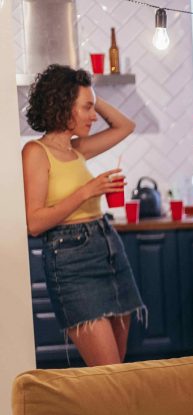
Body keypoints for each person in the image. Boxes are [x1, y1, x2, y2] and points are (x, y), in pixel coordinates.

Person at [21, 64, 142, 366]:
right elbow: (34, 222)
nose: (94, 116)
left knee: (117, 371)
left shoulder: (77, 149)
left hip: (108, 248)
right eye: (86, 108)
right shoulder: (35, 152)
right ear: (64, 106)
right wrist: (86, 191)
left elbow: (126, 126)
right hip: (71, 260)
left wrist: (91, 94)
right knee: (108, 371)